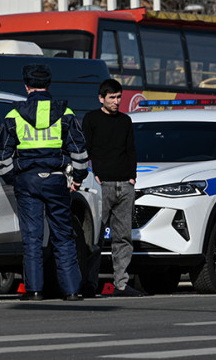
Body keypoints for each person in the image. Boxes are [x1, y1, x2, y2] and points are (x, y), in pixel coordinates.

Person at [0, 63, 89, 301]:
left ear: (26, 86)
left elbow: (3, 157)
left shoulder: (13, 115)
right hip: (57, 179)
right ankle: (71, 290)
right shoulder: (65, 113)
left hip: (27, 181)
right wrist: (77, 178)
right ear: (48, 85)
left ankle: (34, 291)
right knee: (64, 236)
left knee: (32, 238)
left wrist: (13, 179)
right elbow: (79, 152)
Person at [82, 78, 144, 297]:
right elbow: (85, 150)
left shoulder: (125, 121)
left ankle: (120, 284)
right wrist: (93, 175)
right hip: (102, 185)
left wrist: (132, 178)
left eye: (119, 97)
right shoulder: (91, 119)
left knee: (123, 237)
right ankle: (89, 284)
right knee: (95, 238)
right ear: (101, 98)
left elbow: (131, 150)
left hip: (124, 185)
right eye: (112, 98)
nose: (117, 102)